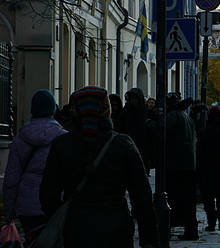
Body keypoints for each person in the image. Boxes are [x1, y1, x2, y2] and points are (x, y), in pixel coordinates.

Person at [40, 86, 157, 248]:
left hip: (77, 227)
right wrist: (149, 238)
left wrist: (63, 217)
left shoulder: (62, 144)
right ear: (106, 109)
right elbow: (141, 195)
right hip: (115, 225)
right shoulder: (122, 144)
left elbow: (48, 194)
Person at [3, 90, 67, 246]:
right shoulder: (64, 137)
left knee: (33, 243)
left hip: (27, 206)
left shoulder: (20, 138)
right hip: (56, 204)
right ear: (53, 110)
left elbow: (11, 179)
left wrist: (9, 212)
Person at [196, 106, 220, 233]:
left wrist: (198, 170)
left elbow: (199, 153)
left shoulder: (203, 132)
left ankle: (211, 222)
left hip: (207, 169)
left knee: (208, 199)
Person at [165, 91, 199, 240]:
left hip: (176, 165)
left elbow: (161, 131)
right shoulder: (186, 116)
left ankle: (173, 226)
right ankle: (190, 229)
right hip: (188, 164)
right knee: (187, 199)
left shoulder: (173, 116)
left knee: (174, 197)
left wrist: (150, 124)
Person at [118, 87, 156, 174]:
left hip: (144, 149)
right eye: (132, 99)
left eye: (135, 99)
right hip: (129, 148)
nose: (134, 101)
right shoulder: (126, 112)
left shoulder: (149, 113)